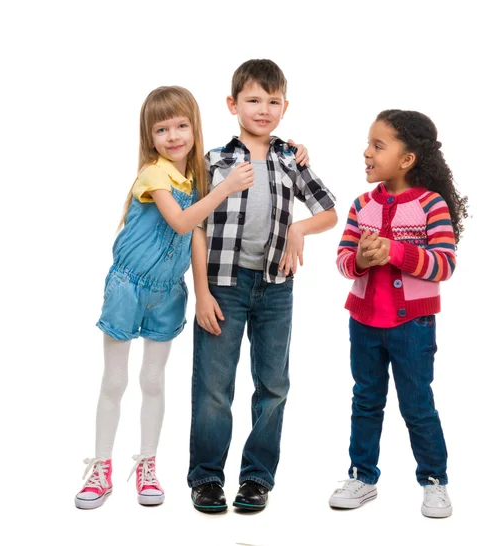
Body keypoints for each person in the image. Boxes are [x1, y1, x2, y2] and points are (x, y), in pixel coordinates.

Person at [74, 85, 256, 509]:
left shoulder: (196, 179)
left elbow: (197, 236)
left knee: (153, 381)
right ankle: (102, 466)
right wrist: (224, 190)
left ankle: (147, 464)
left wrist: (202, 291)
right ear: (149, 137)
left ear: (194, 126)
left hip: (168, 292)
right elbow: (179, 222)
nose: (173, 136)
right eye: (162, 129)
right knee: (115, 380)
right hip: (128, 287)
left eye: (181, 125)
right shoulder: (155, 174)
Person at [187, 58, 338, 513]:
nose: (264, 109)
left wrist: (299, 230)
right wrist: (202, 292)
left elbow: (330, 211)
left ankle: (256, 477)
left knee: (273, 384)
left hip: (276, 286)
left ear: (285, 106)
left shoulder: (291, 158)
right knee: (214, 385)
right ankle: (207, 477)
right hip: (223, 284)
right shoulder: (214, 160)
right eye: (253, 100)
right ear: (233, 104)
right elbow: (195, 225)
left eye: (273, 101)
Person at [329, 109, 468, 518]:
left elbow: (444, 263)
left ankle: (434, 481)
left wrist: (393, 251)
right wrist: (361, 260)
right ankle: (362, 476)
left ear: (407, 159)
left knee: (417, 404)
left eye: (378, 145)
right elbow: (341, 260)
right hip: (364, 322)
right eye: (368, 143)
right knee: (366, 400)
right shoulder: (361, 205)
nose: (367, 152)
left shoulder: (431, 205)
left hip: (413, 325)